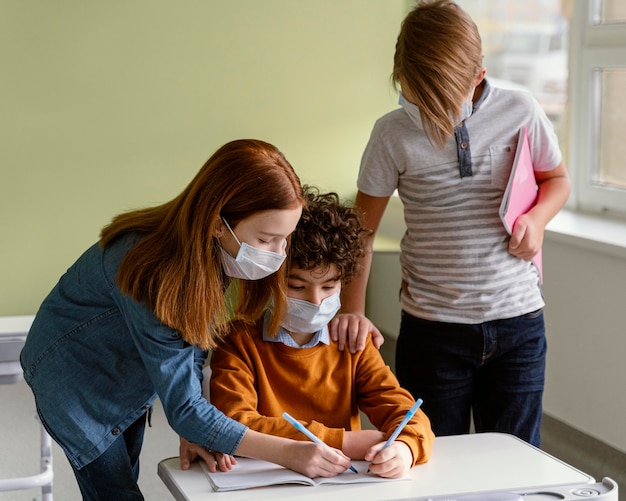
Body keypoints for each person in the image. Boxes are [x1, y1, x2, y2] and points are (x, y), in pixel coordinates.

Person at [20, 140, 353, 500]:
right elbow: (185, 406)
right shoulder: (152, 271)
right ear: (217, 223)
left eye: (284, 239)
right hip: (73, 379)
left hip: (125, 372)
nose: (279, 254)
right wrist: (290, 452)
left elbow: (191, 341)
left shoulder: (210, 253)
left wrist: (194, 427)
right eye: (267, 239)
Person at [337, 0, 571, 447]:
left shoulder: (521, 111)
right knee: (429, 458)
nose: (427, 114)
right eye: (414, 98)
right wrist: (353, 309)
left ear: (478, 77)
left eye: (440, 103)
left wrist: (537, 220)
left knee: (514, 463)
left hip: (517, 324)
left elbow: (557, 180)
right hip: (432, 331)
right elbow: (359, 233)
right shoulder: (391, 134)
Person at [208, 188, 434, 479]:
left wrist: (405, 449)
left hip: (339, 485)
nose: (316, 301)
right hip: (266, 483)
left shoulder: (352, 341)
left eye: (329, 287)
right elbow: (235, 424)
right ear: (267, 280)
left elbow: (409, 416)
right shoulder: (237, 340)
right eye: (297, 287)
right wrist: (344, 442)